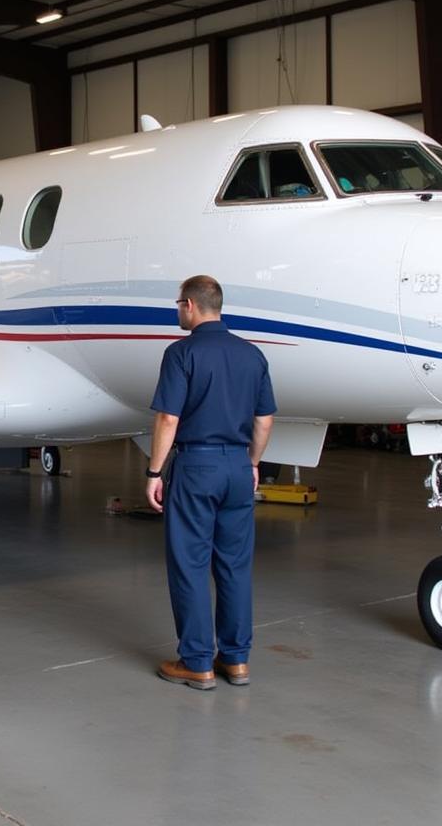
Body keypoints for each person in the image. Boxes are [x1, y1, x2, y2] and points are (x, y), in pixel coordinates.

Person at [146, 275, 275, 690]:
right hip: (238, 468)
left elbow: (169, 418)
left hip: (196, 468)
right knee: (235, 566)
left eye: (177, 306)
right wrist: (252, 462)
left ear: (189, 306)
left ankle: (197, 662)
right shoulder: (252, 356)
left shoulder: (181, 353)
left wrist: (154, 472)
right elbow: (264, 419)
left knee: (190, 565)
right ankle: (236, 660)